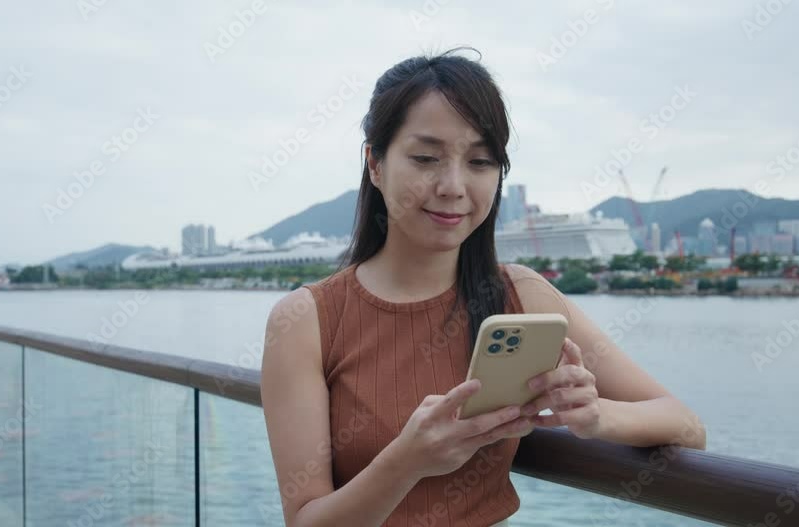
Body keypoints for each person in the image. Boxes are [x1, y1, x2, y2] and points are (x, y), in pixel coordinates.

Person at [260, 47, 706, 527]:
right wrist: (406, 461)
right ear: (375, 163)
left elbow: (685, 424)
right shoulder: (307, 321)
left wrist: (593, 416)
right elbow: (304, 520)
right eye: (426, 157)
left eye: (480, 161)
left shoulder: (522, 296)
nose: (454, 185)